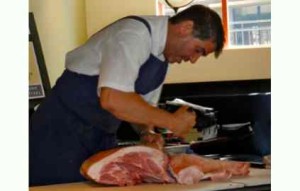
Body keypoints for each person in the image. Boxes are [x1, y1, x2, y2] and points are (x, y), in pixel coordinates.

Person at [29, 4, 225, 186]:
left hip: (101, 139)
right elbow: (113, 99)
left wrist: (146, 133)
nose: (193, 59)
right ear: (186, 27)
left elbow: (140, 107)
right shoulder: (132, 35)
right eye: (198, 50)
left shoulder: (162, 61)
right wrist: (172, 121)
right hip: (59, 135)